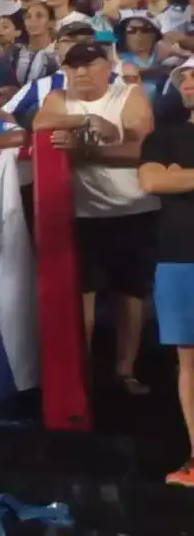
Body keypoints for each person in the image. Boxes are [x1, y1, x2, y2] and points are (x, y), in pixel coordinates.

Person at [34, 42, 157, 395]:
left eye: (90, 64)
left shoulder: (128, 95)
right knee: (81, 295)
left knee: (131, 295)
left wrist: (85, 151)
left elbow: (140, 150)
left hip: (135, 209)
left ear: (108, 67)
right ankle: (79, 374)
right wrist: (88, 120)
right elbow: (41, 121)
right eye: (74, 66)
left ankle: (125, 370)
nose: (81, 72)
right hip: (84, 214)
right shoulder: (61, 97)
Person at [136, 58, 194, 487]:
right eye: (184, 76)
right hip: (178, 257)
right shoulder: (164, 137)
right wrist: (171, 177)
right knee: (189, 363)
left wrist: (183, 177)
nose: (188, 82)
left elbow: (171, 180)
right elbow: (153, 183)